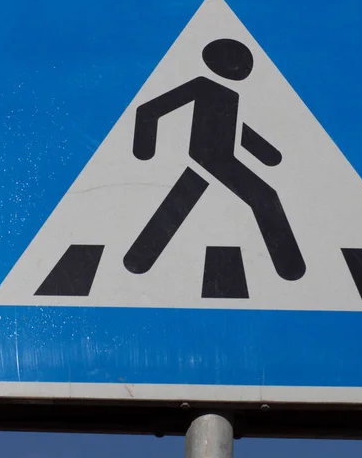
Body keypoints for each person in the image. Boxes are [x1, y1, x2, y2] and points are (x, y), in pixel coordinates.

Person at [123, 38, 306, 281]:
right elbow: (151, 110)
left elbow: (236, 130)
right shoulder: (202, 85)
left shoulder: (230, 96)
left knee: (180, 202)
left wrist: (267, 154)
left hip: (216, 158)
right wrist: (144, 149)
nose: (246, 69)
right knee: (264, 196)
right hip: (210, 157)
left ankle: (138, 259)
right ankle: (290, 266)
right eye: (241, 62)